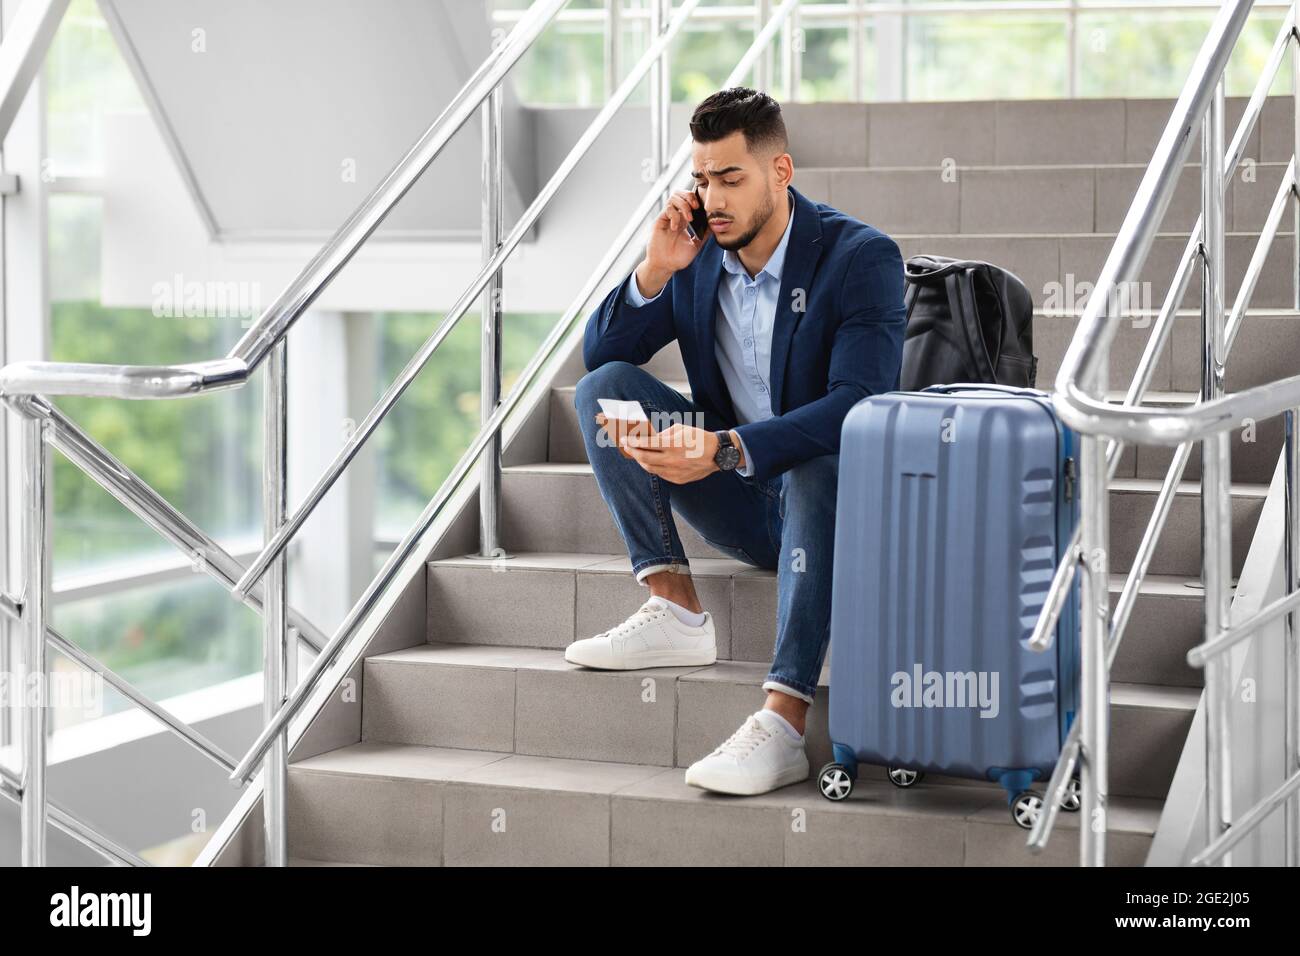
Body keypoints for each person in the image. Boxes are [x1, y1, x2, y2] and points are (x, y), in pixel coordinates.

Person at [569, 87, 906, 795]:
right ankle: (674, 606)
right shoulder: (697, 257)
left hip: (831, 509)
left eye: (730, 178)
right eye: (701, 179)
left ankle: (783, 720)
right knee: (607, 392)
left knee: (819, 460)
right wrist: (656, 268)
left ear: (780, 171)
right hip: (747, 508)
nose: (712, 198)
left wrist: (723, 447)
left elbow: (860, 407)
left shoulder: (859, 258)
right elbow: (601, 355)